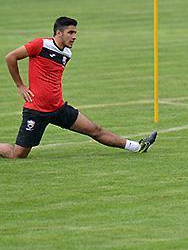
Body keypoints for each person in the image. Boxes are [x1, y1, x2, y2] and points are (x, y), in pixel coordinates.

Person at [1, 17, 157, 159]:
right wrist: (20, 85)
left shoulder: (67, 54)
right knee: (18, 154)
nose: (74, 36)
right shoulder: (40, 44)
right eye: (70, 32)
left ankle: (137, 146)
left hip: (58, 109)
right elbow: (10, 57)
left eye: (75, 33)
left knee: (95, 130)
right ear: (59, 33)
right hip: (36, 111)